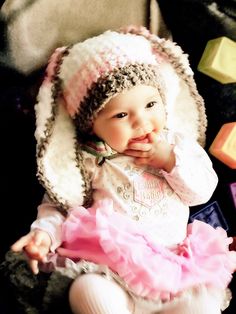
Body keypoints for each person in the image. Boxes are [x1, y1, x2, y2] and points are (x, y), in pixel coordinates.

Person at [11, 26, 236, 314]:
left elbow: (201, 192)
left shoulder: (176, 146)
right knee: (87, 291)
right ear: (91, 124)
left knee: (203, 304)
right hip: (111, 273)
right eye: (121, 115)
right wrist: (44, 235)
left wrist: (169, 160)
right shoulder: (86, 160)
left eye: (151, 104)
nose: (142, 121)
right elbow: (59, 206)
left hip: (172, 270)